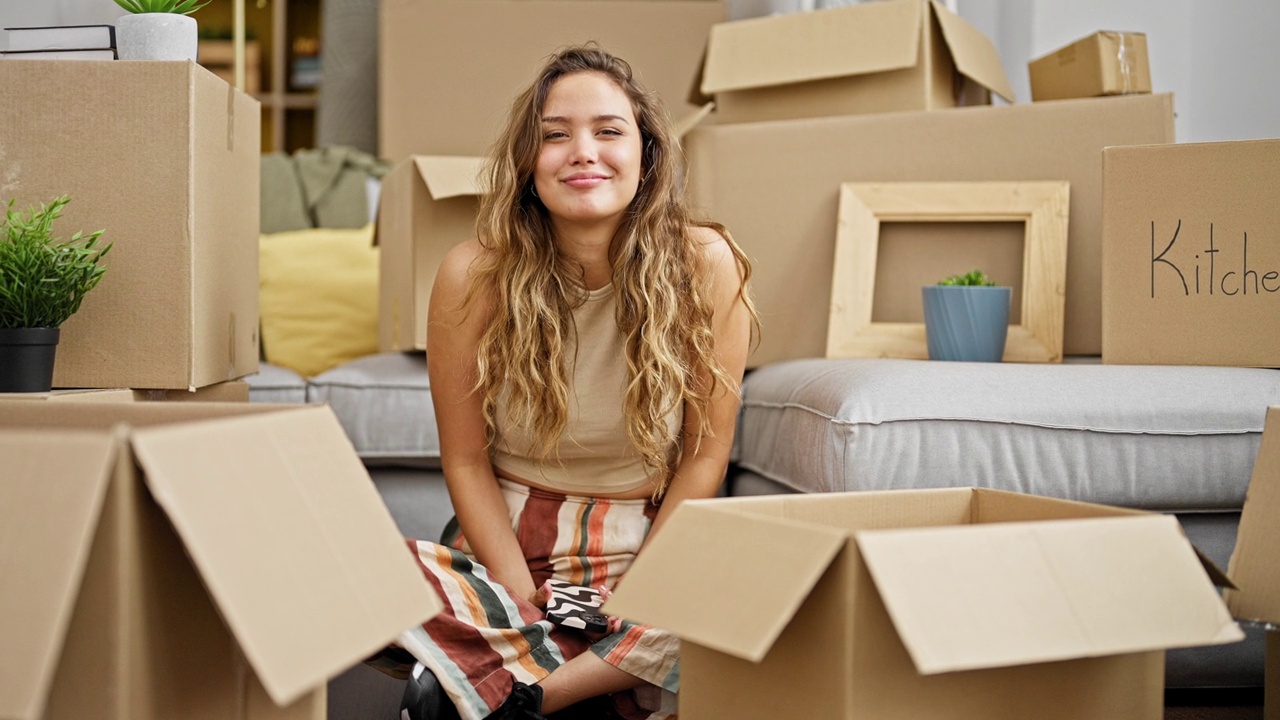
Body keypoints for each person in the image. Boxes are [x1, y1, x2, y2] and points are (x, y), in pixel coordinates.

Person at [397, 44, 757, 720]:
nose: (582, 151)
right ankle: (611, 678)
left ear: (647, 154)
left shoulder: (707, 262)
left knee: (751, 598)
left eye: (609, 131)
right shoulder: (472, 274)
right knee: (356, 575)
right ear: (528, 165)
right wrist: (519, 592)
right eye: (555, 135)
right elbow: (466, 460)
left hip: (641, 545)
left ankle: (530, 696)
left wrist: (645, 592)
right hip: (507, 544)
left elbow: (707, 455)